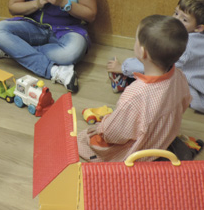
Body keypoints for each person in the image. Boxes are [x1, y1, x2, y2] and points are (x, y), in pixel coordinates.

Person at [78, 15, 192, 162]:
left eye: (136, 39)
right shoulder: (179, 75)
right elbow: (184, 103)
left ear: (143, 52)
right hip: (163, 137)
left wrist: (102, 128)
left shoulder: (135, 94)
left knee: (83, 140)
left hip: (139, 152)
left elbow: (114, 134)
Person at [108, 0, 204, 117]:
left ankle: (126, 81)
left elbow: (157, 63)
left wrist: (122, 67)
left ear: (198, 28)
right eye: (176, 13)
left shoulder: (186, 46)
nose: (176, 20)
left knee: (158, 70)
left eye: (184, 20)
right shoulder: (202, 38)